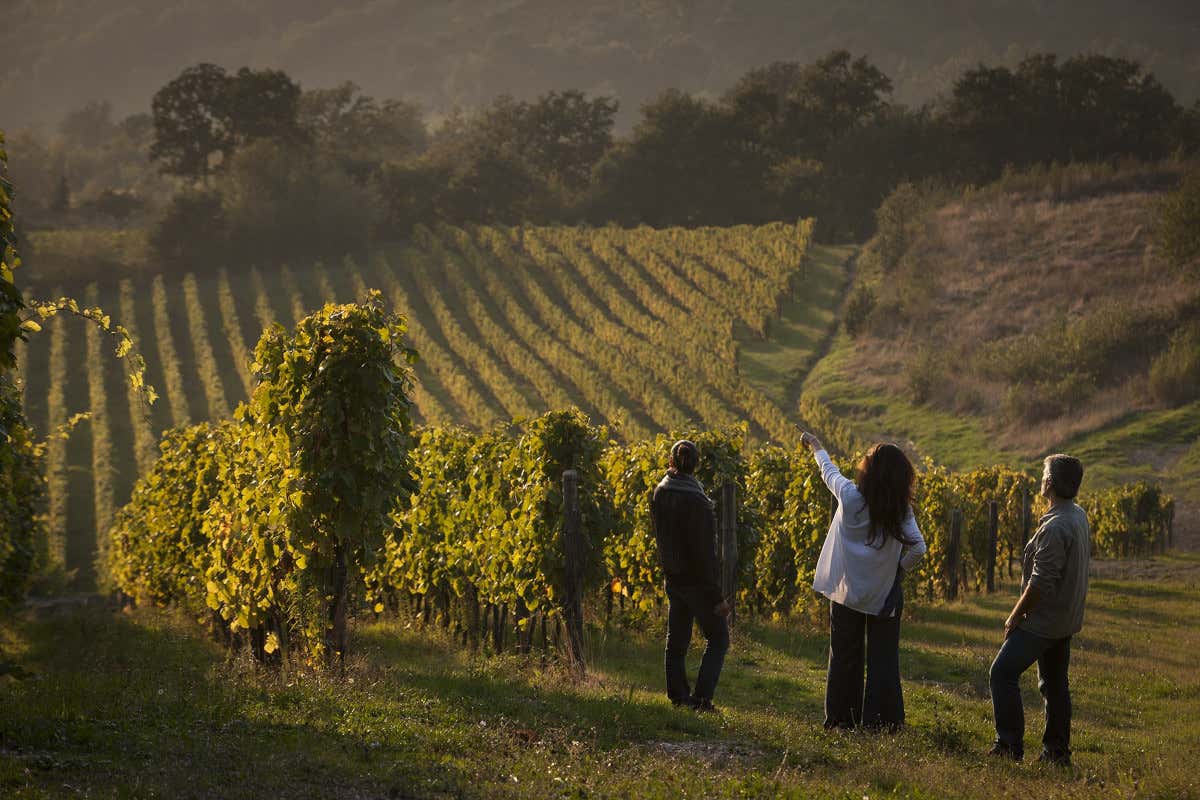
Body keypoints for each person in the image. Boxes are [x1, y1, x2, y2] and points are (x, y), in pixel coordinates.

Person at [803, 431, 927, 730]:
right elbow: (919, 549)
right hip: (883, 594)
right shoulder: (900, 510)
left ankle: (841, 720)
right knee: (883, 658)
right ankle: (882, 722)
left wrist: (817, 446)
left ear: (867, 470)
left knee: (845, 655)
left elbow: (828, 472)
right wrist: (897, 571)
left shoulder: (849, 496)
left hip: (846, 592)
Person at [989, 454, 1089, 766]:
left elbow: (1040, 582)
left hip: (1044, 622)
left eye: (1043, 474)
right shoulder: (1077, 515)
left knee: (1002, 673)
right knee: (1055, 684)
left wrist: (1015, 615)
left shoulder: (1056, 526)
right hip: (1065, 618)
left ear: (1049, 483)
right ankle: (1056, 753)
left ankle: (1008, 746)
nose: (1041, 479)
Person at [650, 439, 730, 712]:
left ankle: (679, 697)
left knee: (677, 641)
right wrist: (717, 596)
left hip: (673, 578)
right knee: (719, 638)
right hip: (697, 583)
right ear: (696, 466)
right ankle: (702, 698)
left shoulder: (660, 492)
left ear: (671, 462)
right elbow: (706, 554)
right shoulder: (698, 500)